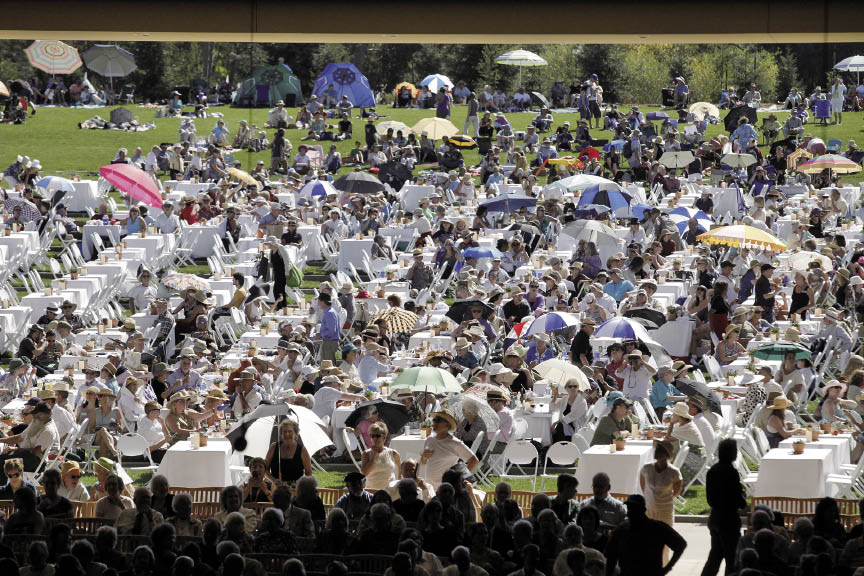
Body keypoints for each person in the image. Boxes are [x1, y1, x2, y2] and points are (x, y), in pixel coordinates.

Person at [604, 494, 687, 576]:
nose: (630, 512)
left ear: (643, 510)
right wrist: (666, 569)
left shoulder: (657, 528)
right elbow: (611, 556)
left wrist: (667, 569)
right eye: (629, 509)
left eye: (635, 509)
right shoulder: (621, 530)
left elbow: (681, 544)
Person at [701, 439, 747, 576]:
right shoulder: (731, 472)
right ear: (732, 453)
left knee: (714, 557)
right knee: (731, 559)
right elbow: (739, 501)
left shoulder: (712, 471)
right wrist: (743, 497)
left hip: (715, 518)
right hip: (729, 520)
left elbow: (710, 499)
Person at [420, 409, 479, 488]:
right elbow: (423, 463)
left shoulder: (455, 443)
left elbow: (474, 460)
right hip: (429, 487)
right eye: (434, 420)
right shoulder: (429, 440)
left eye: (438, 420)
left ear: (447, 425)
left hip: (446, 490)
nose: (434, 422)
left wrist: (459, 478)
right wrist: (424, 457)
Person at [361, 421, 401, 492]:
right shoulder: (366, 454)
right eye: (372, 436)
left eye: (377, 436)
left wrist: (398, 484)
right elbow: (364, 473)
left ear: (384, 438)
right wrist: (374, 457)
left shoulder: (393, 453)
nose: (374, 438)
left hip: (390, 491)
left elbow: (400, 470)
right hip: (372, 492)